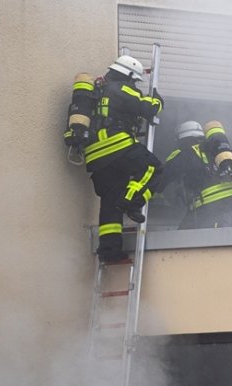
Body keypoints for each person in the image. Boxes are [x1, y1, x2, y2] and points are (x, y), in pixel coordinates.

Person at [65, 54, 166, 262]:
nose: (134, 84)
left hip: (95, 157)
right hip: (116, 146)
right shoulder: (121, 88)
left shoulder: (93, 93)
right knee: (153, 168)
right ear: (128, 75)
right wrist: (157, 99)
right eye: (134, 80)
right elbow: (148, 108)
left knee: (110, 201)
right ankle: (132, 201)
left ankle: (109, 251)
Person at [163, 120, 232, 229]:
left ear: (181, 139)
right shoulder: (219, 151)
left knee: (184, 237)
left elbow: (163, 176)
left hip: (211, 206)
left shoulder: (184, 154)